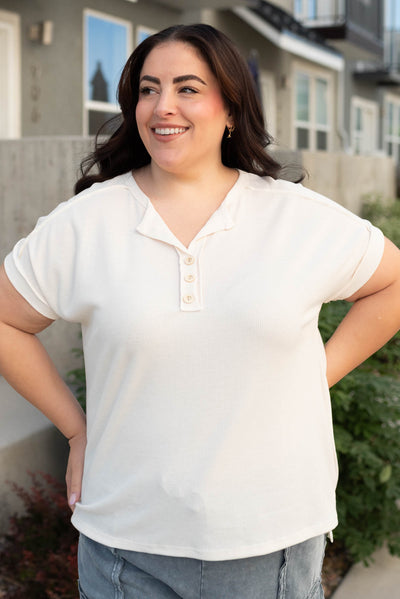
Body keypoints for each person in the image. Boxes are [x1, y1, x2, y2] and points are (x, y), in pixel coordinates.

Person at [1, 23, 400, 599]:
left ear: (232, 107)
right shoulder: (86, 222)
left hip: (270, 543)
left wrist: (313, 377)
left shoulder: (295, 218)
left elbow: (391, 286)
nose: (164, 107)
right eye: (148, 89)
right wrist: (77, 430)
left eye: (188, 88)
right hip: (123, 547)